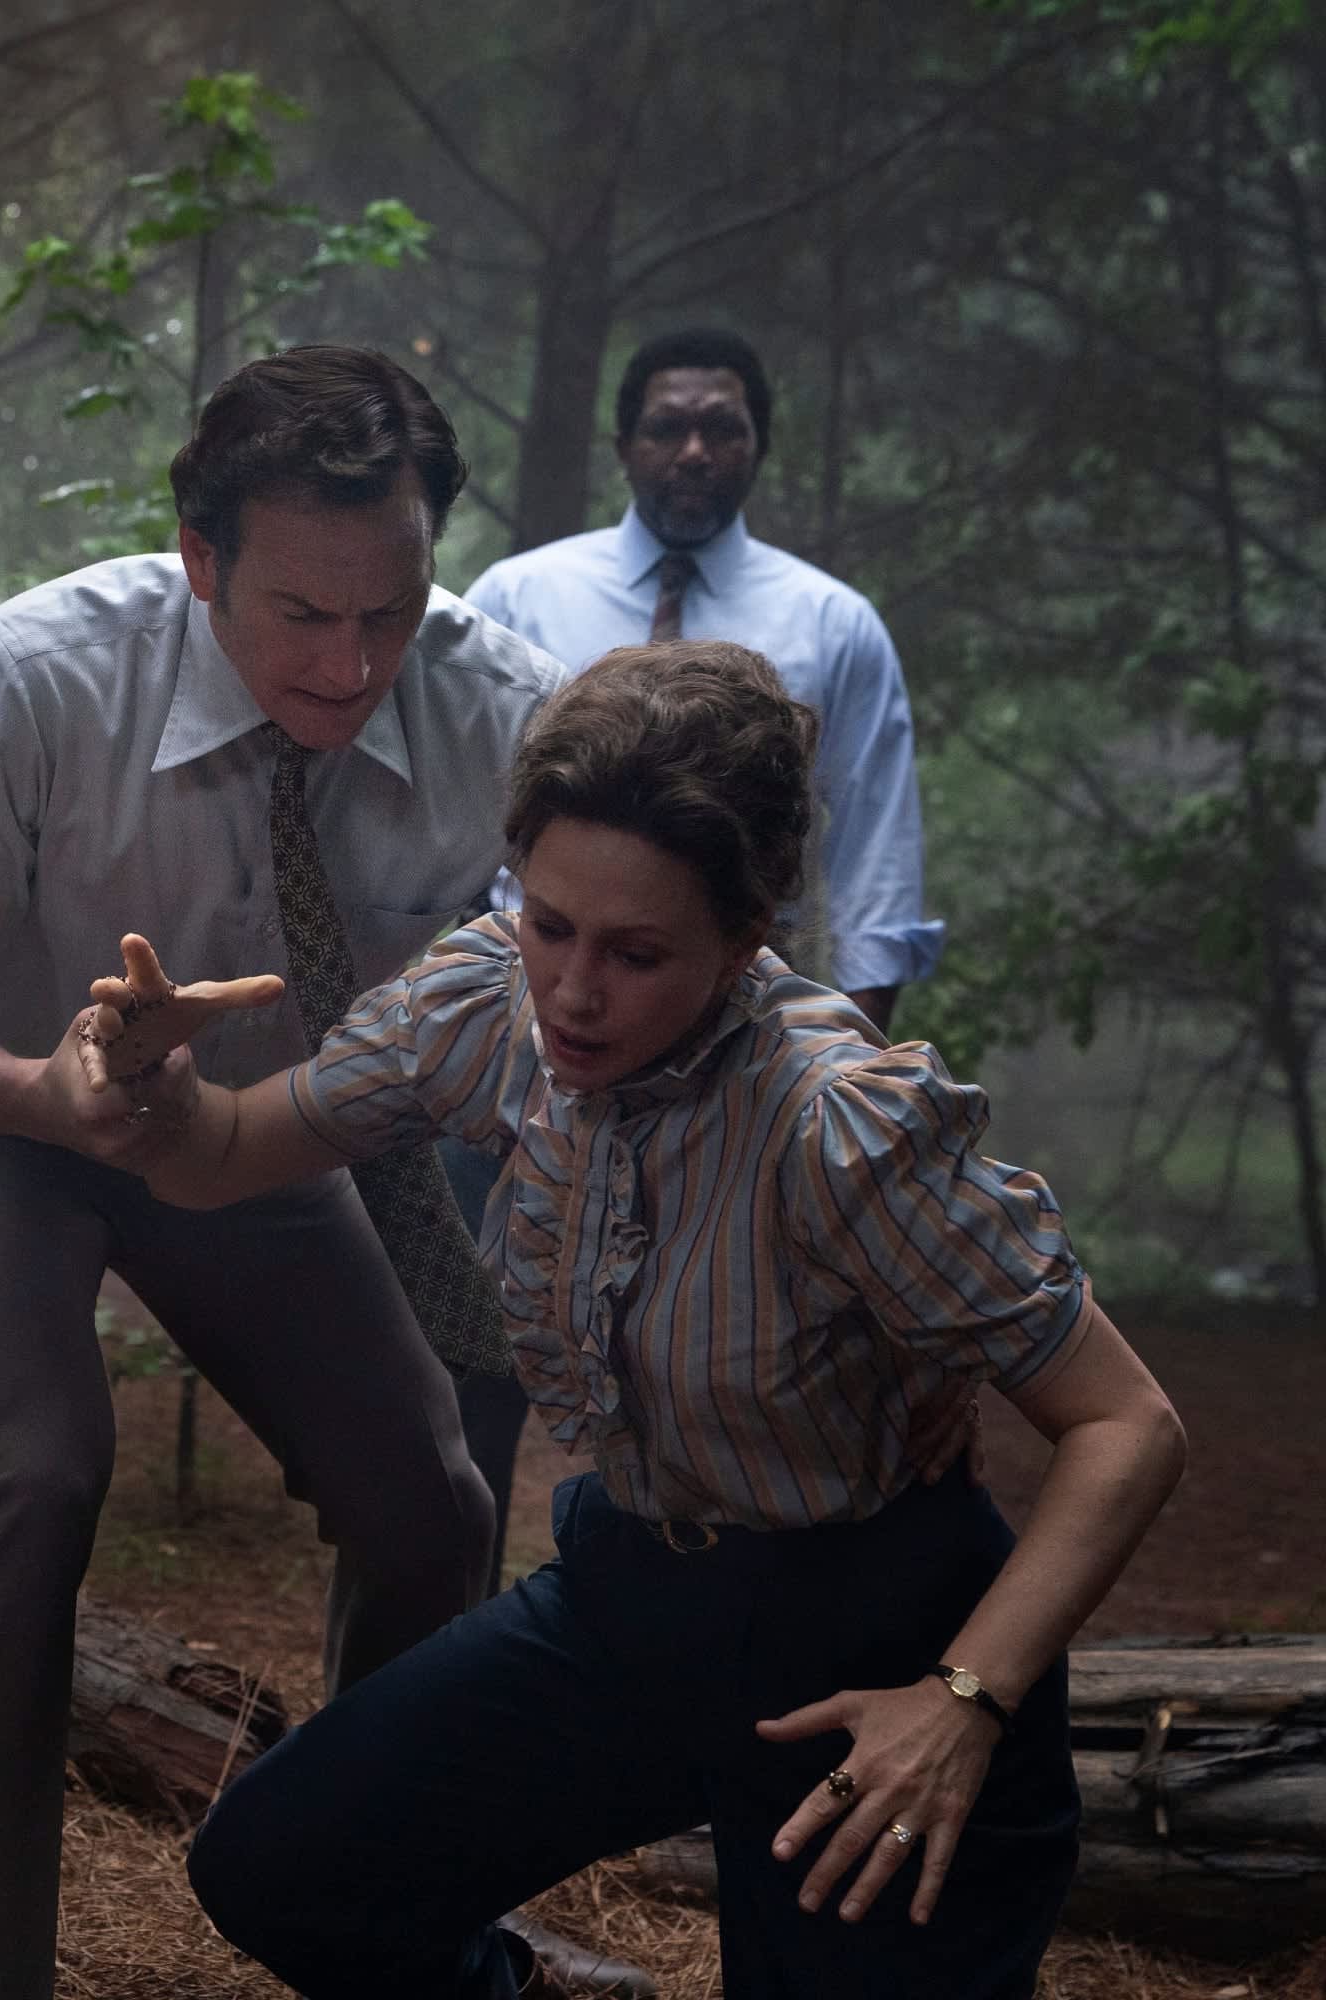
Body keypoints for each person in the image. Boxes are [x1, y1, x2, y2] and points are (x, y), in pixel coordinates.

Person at [77, 641, 1188, 2000]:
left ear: (744, 933)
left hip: (875, 1643)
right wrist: (151, 1078)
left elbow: (1128, 1425)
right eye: (550, 923)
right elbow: (221, 1152)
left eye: (637, 951)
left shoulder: (835, 1122)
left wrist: (961, 1702)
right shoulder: (487, 1005)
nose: (573, 990)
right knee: (284, 1868)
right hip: (637, 1597)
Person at [0, 345, 570, 2000]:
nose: (352, 663)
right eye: (303, 613)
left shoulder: (505, 709)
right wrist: (41, 1086)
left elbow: (586, 971)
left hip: (248, 1136)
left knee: (429, 1503)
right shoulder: (35, 674)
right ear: (199, 559)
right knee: (25, 1475)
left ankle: (382, 1929)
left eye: (390, 611)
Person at [448, 327, 944, 1593]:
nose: (692, 449)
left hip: (732, 1077)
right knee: (458, 1385)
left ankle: (710, 1646)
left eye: (721, 425)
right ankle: (433, 1649)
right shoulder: (519, 596)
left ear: (755, 445)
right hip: (519, 1054)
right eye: (667, 424)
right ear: (623, 440)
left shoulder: (829, 623)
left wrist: (830, 1087)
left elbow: (873, 867)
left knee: (718, 1368)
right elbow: (456, 834)